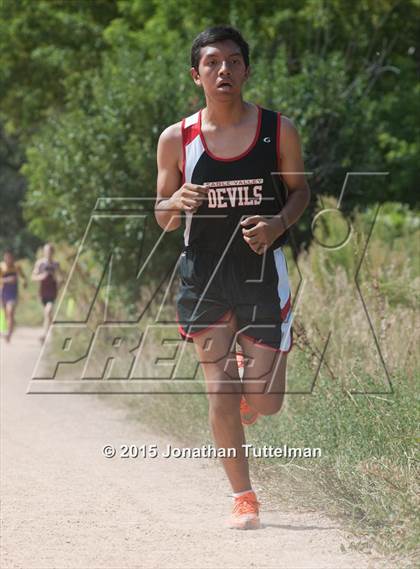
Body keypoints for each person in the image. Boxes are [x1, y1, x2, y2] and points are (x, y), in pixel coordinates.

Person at [154, 25, 310, 529]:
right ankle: (243, 496)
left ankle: (257, 379)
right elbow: (162, 212)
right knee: (219, 389)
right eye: (213, 62)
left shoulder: (277, 130)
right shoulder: (178, 139)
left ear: (246, 69)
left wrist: (278, 223)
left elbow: (300, 194)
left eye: (234, 61)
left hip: (263, 276)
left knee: (266, 400)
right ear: (195, 74)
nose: (224, 70)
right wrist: (174, 203)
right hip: (204, 277)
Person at [31, 243, 63, 342]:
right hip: (43, 292)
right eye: (46, 251)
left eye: (49, 251)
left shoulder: (56, 264)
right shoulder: (40, 263)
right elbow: (33, 277)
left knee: (48, 311)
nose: (47, 253)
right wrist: (42, 277)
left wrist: (57, 281)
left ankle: (44, 335)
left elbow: (61, 278)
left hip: (52, 292)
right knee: (48, 315)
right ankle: (53, 332)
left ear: (53, 252)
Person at [0, 250, 27, 342]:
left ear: (13, 258)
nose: (9, 259)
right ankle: (10, 328)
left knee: (10, 312)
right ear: (4, 258)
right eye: (7, 257)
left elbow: (23, 277)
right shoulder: (1, 267)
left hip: (13, 294)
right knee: (6, 315)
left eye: (10, 257)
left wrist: (24, 283)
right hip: (3, 293)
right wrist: (7, 280)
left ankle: (9, 335)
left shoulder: (17, 267)